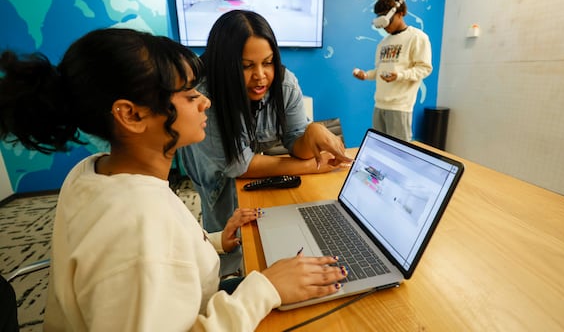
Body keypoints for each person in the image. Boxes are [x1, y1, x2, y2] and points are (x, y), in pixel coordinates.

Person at [0, 28, 347, 331]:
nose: (205, 102)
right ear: (131, 115)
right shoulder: (137, 228)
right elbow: (147, 255)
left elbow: (158, 258)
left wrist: (210, 241)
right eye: (190, 94)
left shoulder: (96, 170)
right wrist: (266, 289)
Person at [179, 10, 353, 276]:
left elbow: (295, 140)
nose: (260, 76)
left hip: (253, 179)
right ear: (225, 64)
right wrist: (313, 167)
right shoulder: (205, 97)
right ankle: (227, 279)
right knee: (227, 242)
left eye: (268, 63)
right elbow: (240, 165)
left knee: (264, 240)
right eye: (247, 66)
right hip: (216, 180)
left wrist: (311, 133)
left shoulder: (285, 84)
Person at [353, 0, 433, 141]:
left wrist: (400, 75)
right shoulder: (383, 42)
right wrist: (366, 75)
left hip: (400, 106)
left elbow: (425, 68)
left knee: (399, 153)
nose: (385, 26)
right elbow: (380, 70)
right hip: (379, 105)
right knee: (379, 148)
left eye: (388, 20)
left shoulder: (416, 37)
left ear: (401, 13)